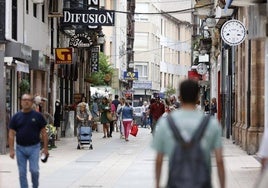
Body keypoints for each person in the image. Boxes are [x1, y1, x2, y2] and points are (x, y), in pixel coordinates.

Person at [151, 79, 225, 188]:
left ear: (180, 97)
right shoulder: (211, 123)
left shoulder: (166, 123)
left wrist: (157, 185)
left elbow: (159, 160)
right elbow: (219, 160)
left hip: (175, 183)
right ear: (197, 97)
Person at [8, 93, 49, 188]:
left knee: (34, 170)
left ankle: (35, 186)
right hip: (20, 148)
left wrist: (45, 148)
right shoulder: (16, 117)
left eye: (28, 100)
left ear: (32, 102)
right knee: (22, 173)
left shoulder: (38, 116)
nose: (26, 102)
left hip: (34, 148)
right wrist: (11, 149)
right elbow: (11, 133)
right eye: (24, 100)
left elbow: (44, 133)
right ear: (21, 102)